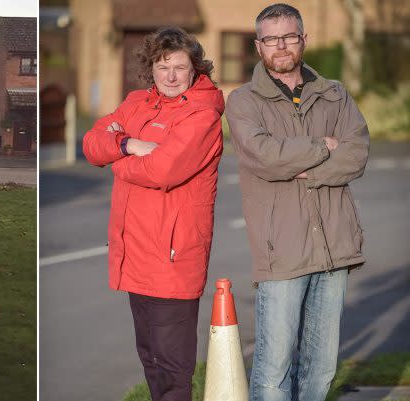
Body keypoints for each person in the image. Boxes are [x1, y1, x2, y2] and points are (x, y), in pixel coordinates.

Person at [225, 4, 369, 401]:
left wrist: (306, 167)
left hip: (335, 247)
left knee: (320, 370)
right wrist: (323, 146)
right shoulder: (242, 102)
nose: (281, 46)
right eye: (271, 39)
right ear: (258, 46)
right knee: (274, 370)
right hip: (281, 251)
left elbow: (356, 154)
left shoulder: (335, 94)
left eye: (289, 36)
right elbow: (265, 158)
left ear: (303, 39)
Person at [82, 27, 224, 401]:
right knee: (151, 361)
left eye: (180, 67)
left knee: (173, 370)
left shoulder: (203, 114)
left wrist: (119, 160)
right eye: (164, 68)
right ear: (152, 68)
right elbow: (92, 144)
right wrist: (130, 143)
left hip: (173, 260)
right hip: (137, 257)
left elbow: (163, 169)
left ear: (195, 69)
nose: (172, 76)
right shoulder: (137, 103)